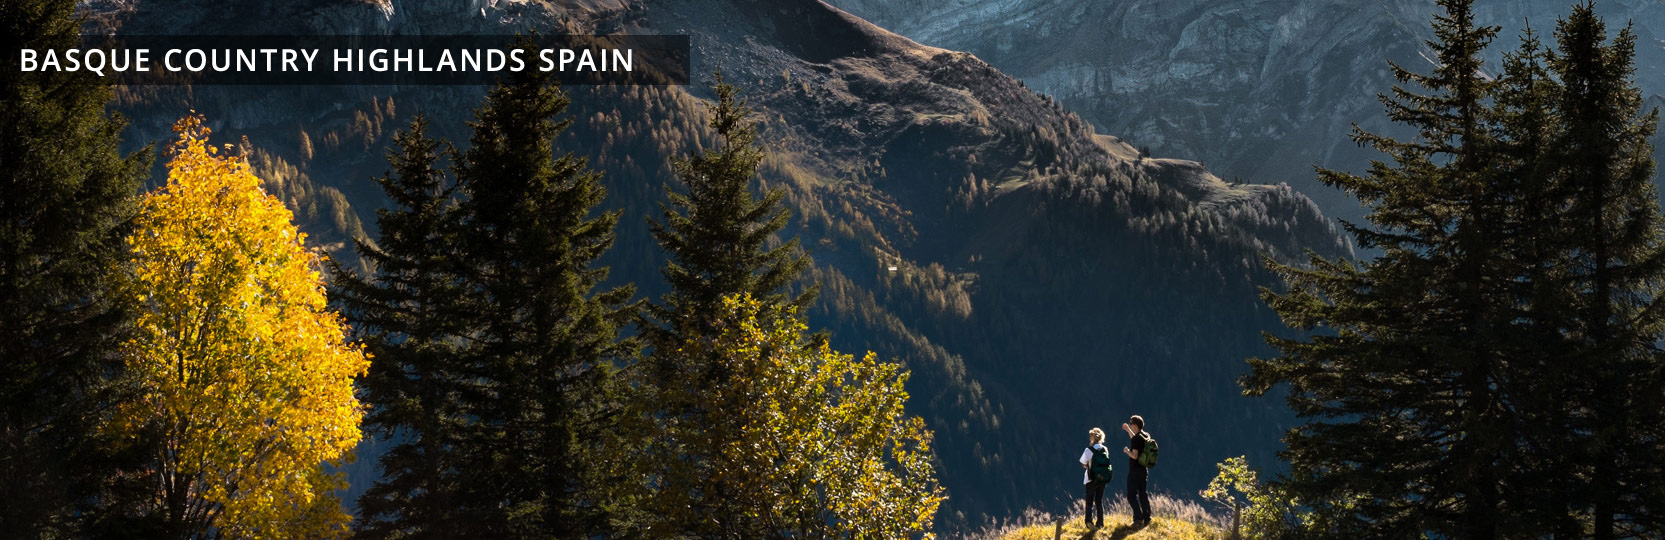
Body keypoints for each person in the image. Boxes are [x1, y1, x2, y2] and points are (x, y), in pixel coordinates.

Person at [1078, 428, 1112, 529]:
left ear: (1091, 438)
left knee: (1089, 501)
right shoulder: (1105, 449)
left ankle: (1089, 521)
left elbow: (1083, 463)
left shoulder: (1089, 450)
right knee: (1099, 501)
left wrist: (1089, 465)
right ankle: (1100, 522)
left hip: (1091, 479)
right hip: (1102, 479)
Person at [1122, 415, 1152, 527]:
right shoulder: (1145, 436)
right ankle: (1147, 518)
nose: (1130, 424)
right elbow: (1135, 439)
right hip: (1144, 470)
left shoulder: (1136, 439)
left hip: (1134, 471)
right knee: (1143, 494)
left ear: (1135, 425)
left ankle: (1137, 518)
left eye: (1131, 423)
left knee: (1131, 496)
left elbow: (1134, 456)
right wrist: (1127, 430)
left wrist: (1127, 451)